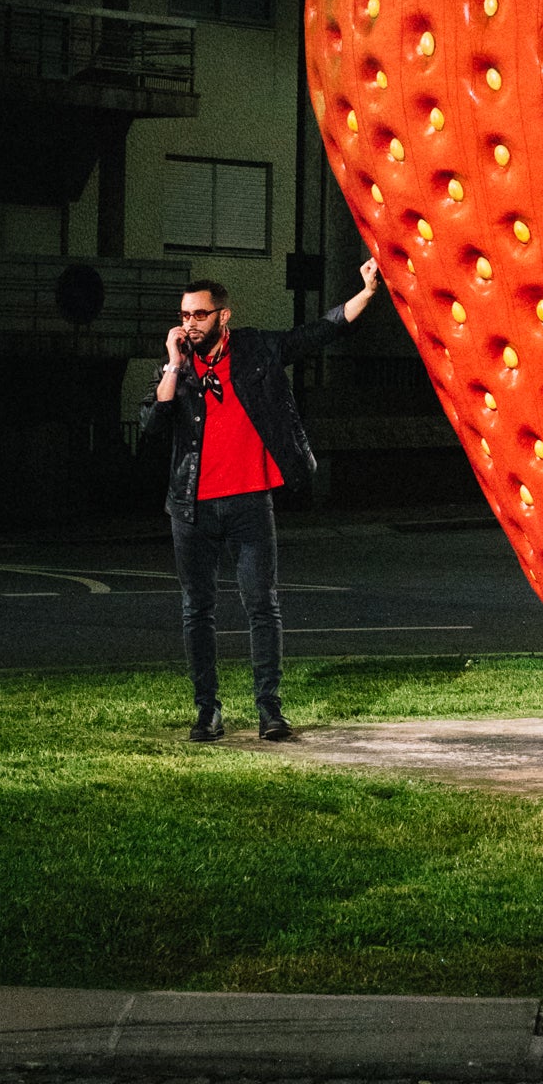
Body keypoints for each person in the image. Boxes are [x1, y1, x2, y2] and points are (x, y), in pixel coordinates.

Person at [141, 256, 384, 742]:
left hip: (250, 502)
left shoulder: (254, 349)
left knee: (262, 606)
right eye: (184, 315)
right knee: (197, 610)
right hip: (191, 508)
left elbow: (316, 333)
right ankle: (207, 711)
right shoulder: (177, 369)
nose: (190, 324)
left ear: (223, 315)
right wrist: (173, 363)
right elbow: (151, 427)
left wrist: (367, 293)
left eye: (200, 315)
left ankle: (269, 710)